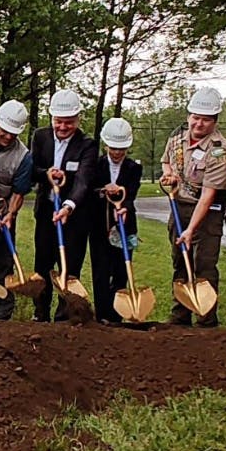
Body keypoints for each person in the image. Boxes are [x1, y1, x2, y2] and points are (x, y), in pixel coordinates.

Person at [159, 87, 226, 327]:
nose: (199, 123)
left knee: (203, 264)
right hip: (179, 207)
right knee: (180, 262)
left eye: (205, 119)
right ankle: (180, 315)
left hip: (207, 213)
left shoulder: (220, 151)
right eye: (195, 117)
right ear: (188, 116)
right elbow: (165, 162)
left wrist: (191, 230)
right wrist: (169, 175)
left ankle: (206, 320)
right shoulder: (177, 138)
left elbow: (208, 196)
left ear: (214, 121)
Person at [29, 89, 98, 322]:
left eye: (69, 122)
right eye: (59, 121)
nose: (63, 127)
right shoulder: (40, 137)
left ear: (78, 120)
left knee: (69, 267)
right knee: (43, 265)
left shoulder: (87, 145)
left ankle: (64, 316)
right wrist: (46, 173)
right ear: (51, 118)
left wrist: (69, 206)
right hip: (47, 212)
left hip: (74, 216)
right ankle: (40, 314)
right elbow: (33, 170)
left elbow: (84, 180)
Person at [0, 100, 34, 321]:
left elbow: (19, 192)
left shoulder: (23, 156)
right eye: (4, 130)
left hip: (3, 211)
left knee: (2, 262)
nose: (8, 136)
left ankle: (1, 315)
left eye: (13, 132)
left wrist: (10, 214)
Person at [88, 117, 143, 324]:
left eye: (122, 148)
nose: (117, 152)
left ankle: (118, 313)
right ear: (105, 144)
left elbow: (132, 194)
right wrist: (104, 191)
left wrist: (125, 206)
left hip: (125, 227)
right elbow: (89, 190)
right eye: (113, 148)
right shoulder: (95, 165)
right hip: (99, 226)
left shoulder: (134, 168)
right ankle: (102, 314)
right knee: (101, 270)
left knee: (121, 269)